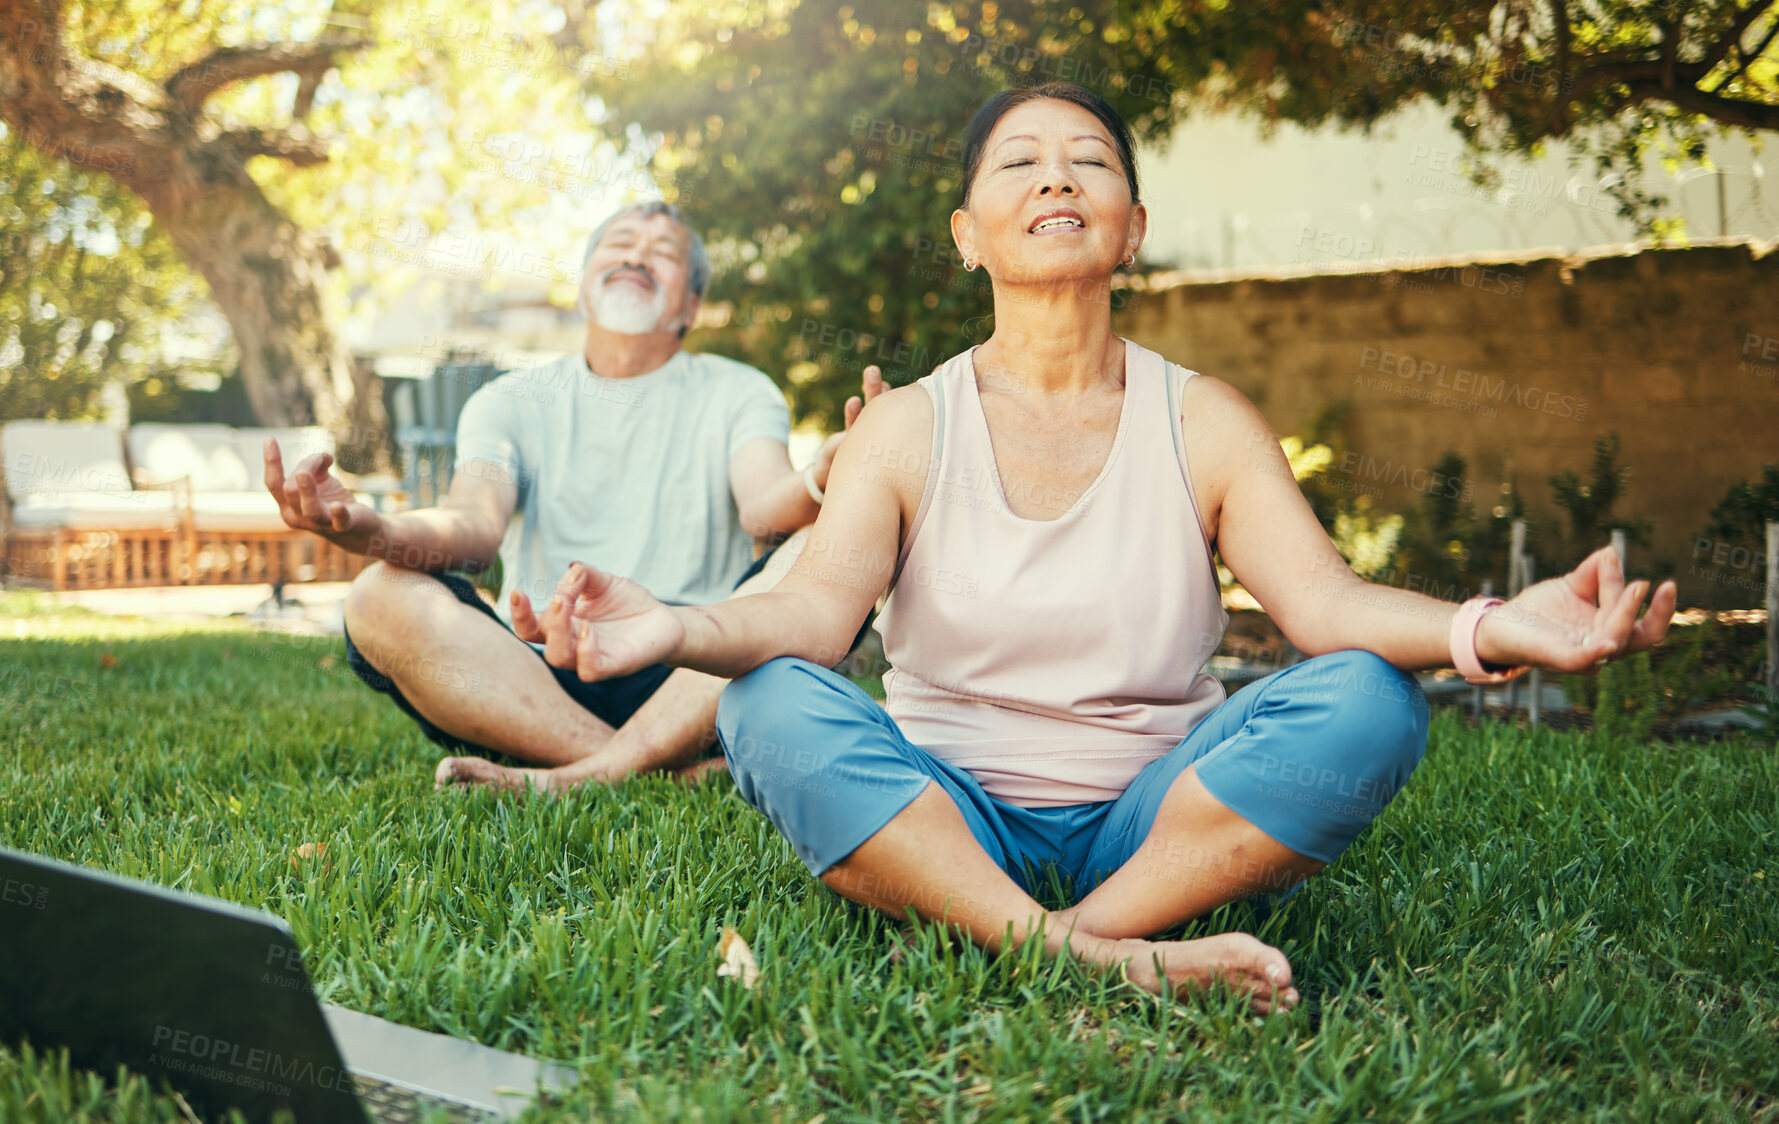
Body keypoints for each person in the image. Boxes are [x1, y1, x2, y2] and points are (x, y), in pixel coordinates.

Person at [507, 84, 1678, 1012]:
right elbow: (813, 614)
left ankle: (1071, 937)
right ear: (968, 234)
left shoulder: (1203, 415)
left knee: (1371, 699)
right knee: (767, 702)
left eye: (1091, 159)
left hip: (1153, 811)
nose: (1057, 173)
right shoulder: (911, 423)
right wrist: (677, 625)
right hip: (950, 808)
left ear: (1133, 228)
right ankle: (1098, 952)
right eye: (1018, 161)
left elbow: (1324, 604)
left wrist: (1489, 625)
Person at [262, 201, 882, 790]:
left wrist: (824, 478)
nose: (637, 257)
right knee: (379, 594)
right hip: (540, 673)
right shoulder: (508, 400)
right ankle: (650, 767)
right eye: (620, 245)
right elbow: (472, 523)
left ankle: (584, 773)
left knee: (819, 545)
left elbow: (766, 502)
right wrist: (366, 528)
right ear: (585, 285)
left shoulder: (739, 391)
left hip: (698, 668)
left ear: (690, 305)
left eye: (661, 251)